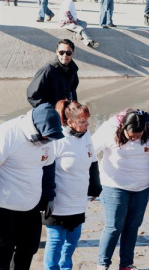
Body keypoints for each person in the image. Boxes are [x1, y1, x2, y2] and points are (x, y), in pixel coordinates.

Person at [93, 109, 149, 270]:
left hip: (141, 186)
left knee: (133, 225)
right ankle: (102, 264)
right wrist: (92, 185)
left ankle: (126, 264)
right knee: (114, 226)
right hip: (114, 185)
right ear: (123, 127)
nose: (135, 139)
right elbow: (89, 152)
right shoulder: (109, 128)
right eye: (132, 136)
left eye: (139, 136)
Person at [0, 103, 64, 270]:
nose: (48, 141)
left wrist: (49, 196)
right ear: (35, 127)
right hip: (4, 208)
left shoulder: (49, 136)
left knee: (28, 250)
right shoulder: (8, 133)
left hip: (31, 206)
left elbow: (49, 168)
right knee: (2, 255)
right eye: (46, 138)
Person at [43, 100, 102, 270]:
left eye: (87, 120)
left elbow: (93, 161)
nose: (87, 124)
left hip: (78, 200)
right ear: (70, 122)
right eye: (83, 121)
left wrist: (95, 187)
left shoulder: (86, 135)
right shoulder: (57, 139)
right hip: (58, 201)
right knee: (56, 240)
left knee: (72, 240)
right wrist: (47, 197)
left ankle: (66, 267)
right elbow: (46, 169)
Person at [27, 39, 79, 108]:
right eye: (61, 52)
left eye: (68, 53)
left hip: (65, 113)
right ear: (57, 52)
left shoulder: (73, 70)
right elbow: (32, 95)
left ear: (73, 53)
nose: (65, 55)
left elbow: (72, 92)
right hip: (51, 113)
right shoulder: (47, 70)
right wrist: (48, 111)